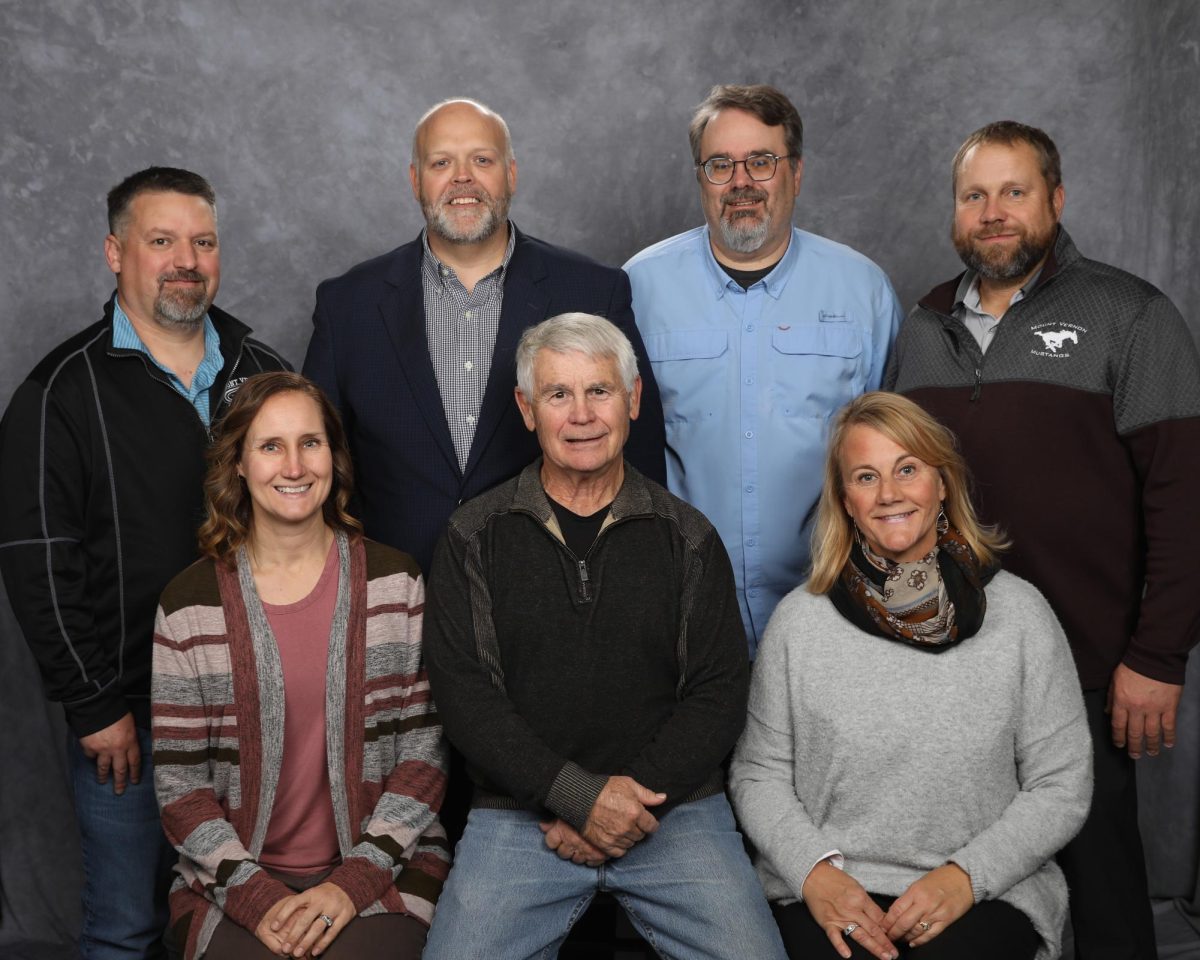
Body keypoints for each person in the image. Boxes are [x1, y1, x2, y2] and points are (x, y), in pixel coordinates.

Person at [884, 120, 1200, 959]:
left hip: (1092, 666)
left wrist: (1160, 654)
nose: (993, 213)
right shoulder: (921, 326)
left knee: (1102, 897)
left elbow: (1185, 494)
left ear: (1055, 201)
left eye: (1013, 192)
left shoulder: (1129, 315)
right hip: (950, 663)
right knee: (972, 888)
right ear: (955, 214)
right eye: (974, 195)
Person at [420, 313, 787, 960]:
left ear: (634, 400)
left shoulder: (688, 537)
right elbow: (466, 698)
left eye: (600, 391)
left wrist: (621, 803)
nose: (582, 414)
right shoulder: (473, 535)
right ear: (527, 409)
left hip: (671, 811)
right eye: (559, 394)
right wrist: (578, 799)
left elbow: (720, 691)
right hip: (522, 813)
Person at [0, 167, 289, 959]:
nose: (184, 260)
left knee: (247, 919)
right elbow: (37, 560)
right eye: (161, 241)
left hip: (256, 710)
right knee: (126, 925)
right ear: (114, 252)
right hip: (129, 714)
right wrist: (93, 704)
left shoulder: (263, 371)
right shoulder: (62, 391)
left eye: (202, 241)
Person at [730, 391, 1092, 960]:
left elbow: (1062, 784)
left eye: (907, 469)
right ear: (845, 500)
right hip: (828, 890)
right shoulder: (801, 621)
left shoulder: (1021, 615)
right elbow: (758, 774)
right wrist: (815, 875)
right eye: (866, 477)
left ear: (942, 484)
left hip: (981, 890)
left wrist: (965, 877)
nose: (890, 493)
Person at [151, 372, 449, 960]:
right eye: (270, 446)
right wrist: (256, 898)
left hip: (384, 869)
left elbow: (425, 758)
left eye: (310, 443)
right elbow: (181, 789)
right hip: (229, 882)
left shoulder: (397, 584)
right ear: (237, 463)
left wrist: (350, 885)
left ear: (334, 457)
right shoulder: (188, 605)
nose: (294, 466)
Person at [303, 97, 666, 578]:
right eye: (441, 162)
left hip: (554, 590)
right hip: (394, 593)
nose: (462, 177)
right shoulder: (348, 305)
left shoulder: (592, 290)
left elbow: (637, 453)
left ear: (511, 174)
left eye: (482, 159)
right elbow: (315, 456)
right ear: (415, 181)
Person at [624, 83, 902, 657]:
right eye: (720, 164)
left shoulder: (863, 290)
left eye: (762, 161)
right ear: (700, 177)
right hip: (679, 617)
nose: (742, 182)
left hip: (836, 610)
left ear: (795, 174)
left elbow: (901, 456)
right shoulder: (636, 288)